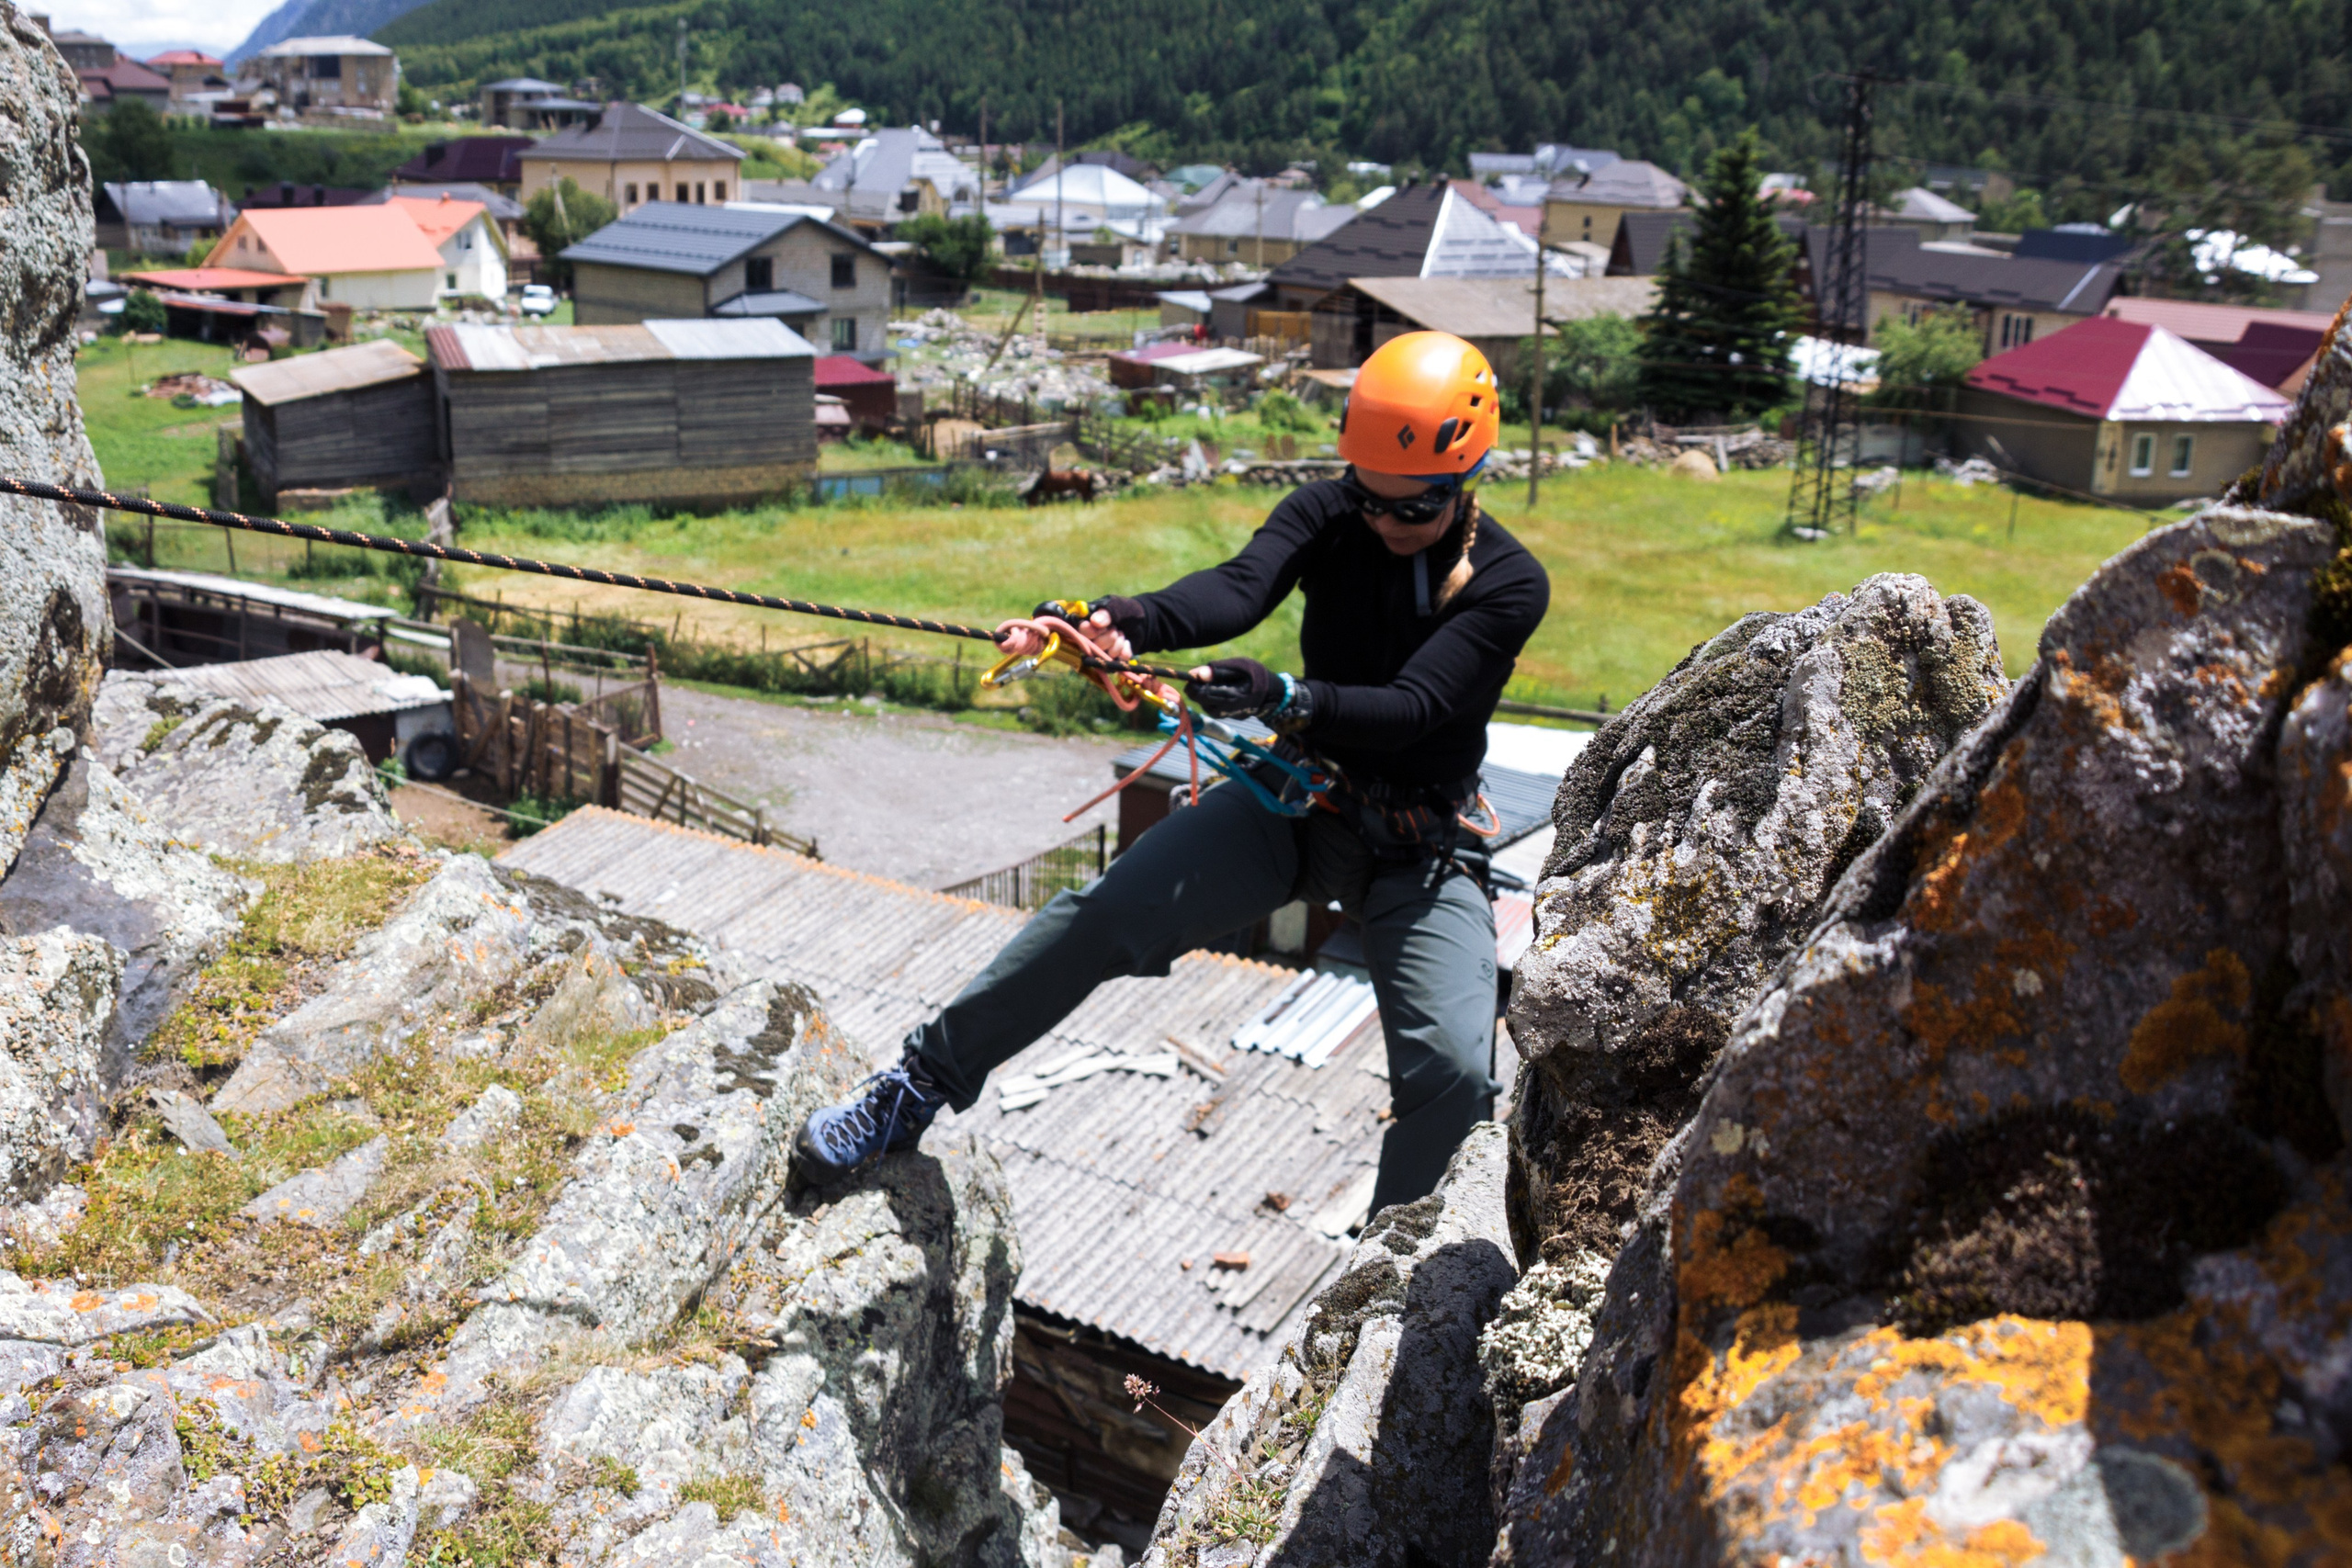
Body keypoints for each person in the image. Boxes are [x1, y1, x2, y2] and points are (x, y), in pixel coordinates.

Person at [796, 331, 1552, 1213]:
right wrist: (1126, 621)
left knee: (1457, 1073)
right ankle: (915, 1087)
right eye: (1367, 494)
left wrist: (1285, 696)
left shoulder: (1509, 582)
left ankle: (1393, 1269)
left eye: (1411, 507)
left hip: (1421, 848)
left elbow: (1415, 706)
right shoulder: (1329, 514)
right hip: (1297, 804)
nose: (1383, 522)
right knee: (1105, 914)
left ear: (1465, 478)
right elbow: (1238, 587)